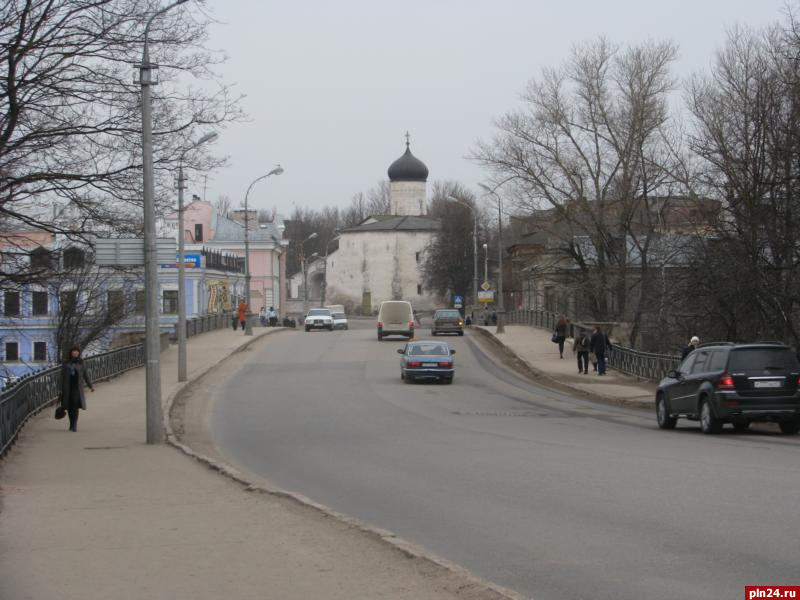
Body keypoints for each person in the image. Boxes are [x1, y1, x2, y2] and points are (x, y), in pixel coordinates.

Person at [60, 346, 94, 432]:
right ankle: (71, 424)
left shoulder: (81, 363)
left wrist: (90, 386)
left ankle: (74, 425)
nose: (75, 353)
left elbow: (86, 375)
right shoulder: (66, 363)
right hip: (67, 388)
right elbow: (61, 377)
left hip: (77, 388)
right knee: (69, 407)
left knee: (75, 406)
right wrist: (60, 388)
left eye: (77, 352)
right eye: (74, 351)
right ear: (71, 353)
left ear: (79, 353)